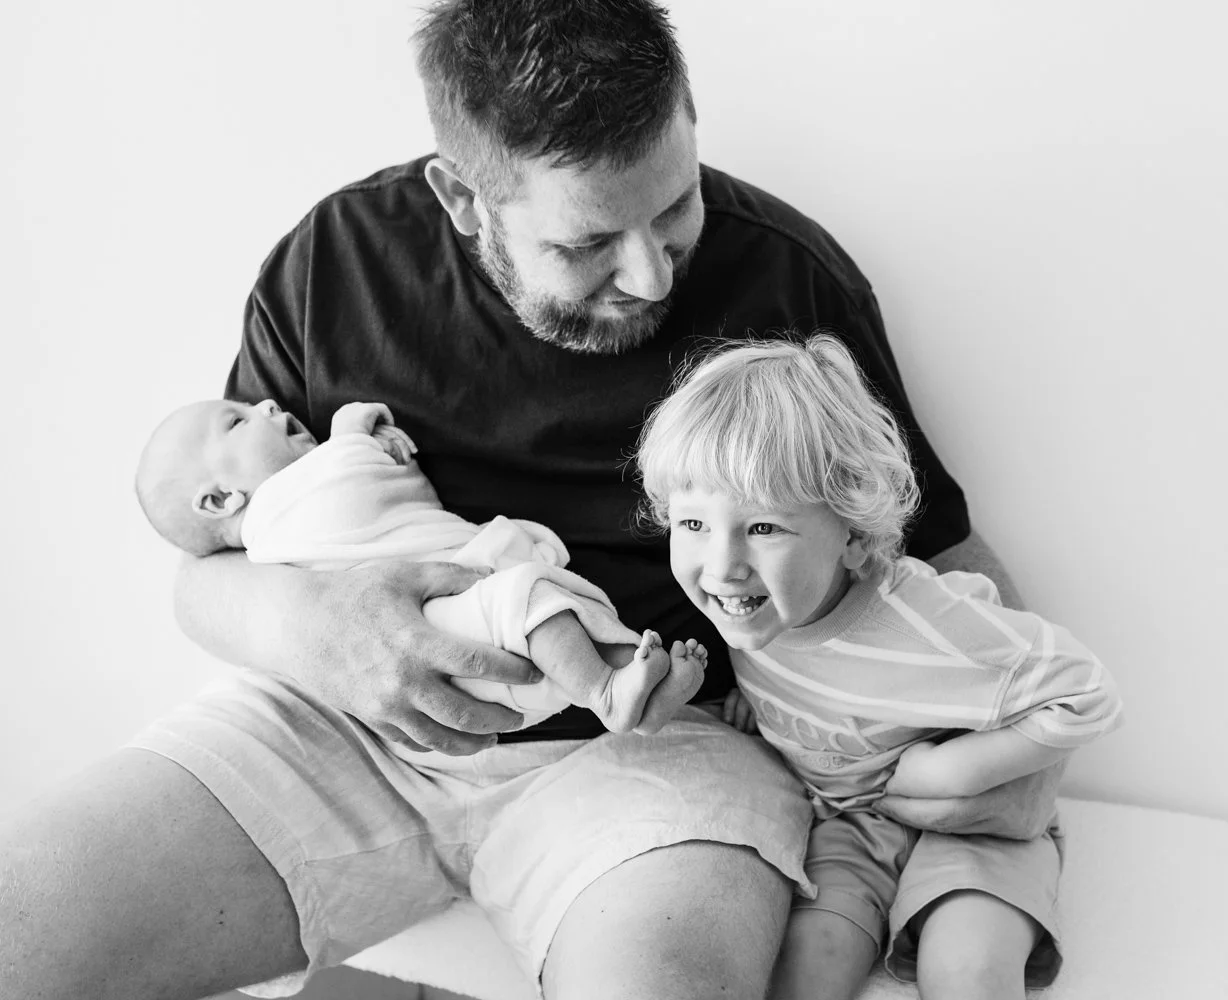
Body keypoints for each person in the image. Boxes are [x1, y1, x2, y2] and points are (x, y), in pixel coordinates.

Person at [0, 3, 1060, 998]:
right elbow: (210, 567)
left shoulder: (789, 282)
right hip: (345, 725)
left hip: (657, 751)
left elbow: (941, 564)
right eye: (588, 243)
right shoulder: (335, 265)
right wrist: (304, 624)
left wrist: (1025, 762)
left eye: (675, 207)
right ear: (463, 198)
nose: (649, 274)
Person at [637, 335, 1123, 999]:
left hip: (978, 824)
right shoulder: (750, 613)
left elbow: (1089, 691)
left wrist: (958, 770)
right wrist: (757, 716)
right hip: (850, 827)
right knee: (806, 968)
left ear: (855, 534)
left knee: (968, 972)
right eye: (692, 524)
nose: (722, 564)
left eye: (763, 528)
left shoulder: (925, 618)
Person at [135, 396, 706, 733]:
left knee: (565, 605)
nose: (265, 404)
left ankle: (636, 693)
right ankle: (606, 693)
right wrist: (351, 429)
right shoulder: (281, 515)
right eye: (237, 422)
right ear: (219, 502)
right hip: (440, 645)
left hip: (469, 658)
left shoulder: (273, 534)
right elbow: (345, 489)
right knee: (532, 598)